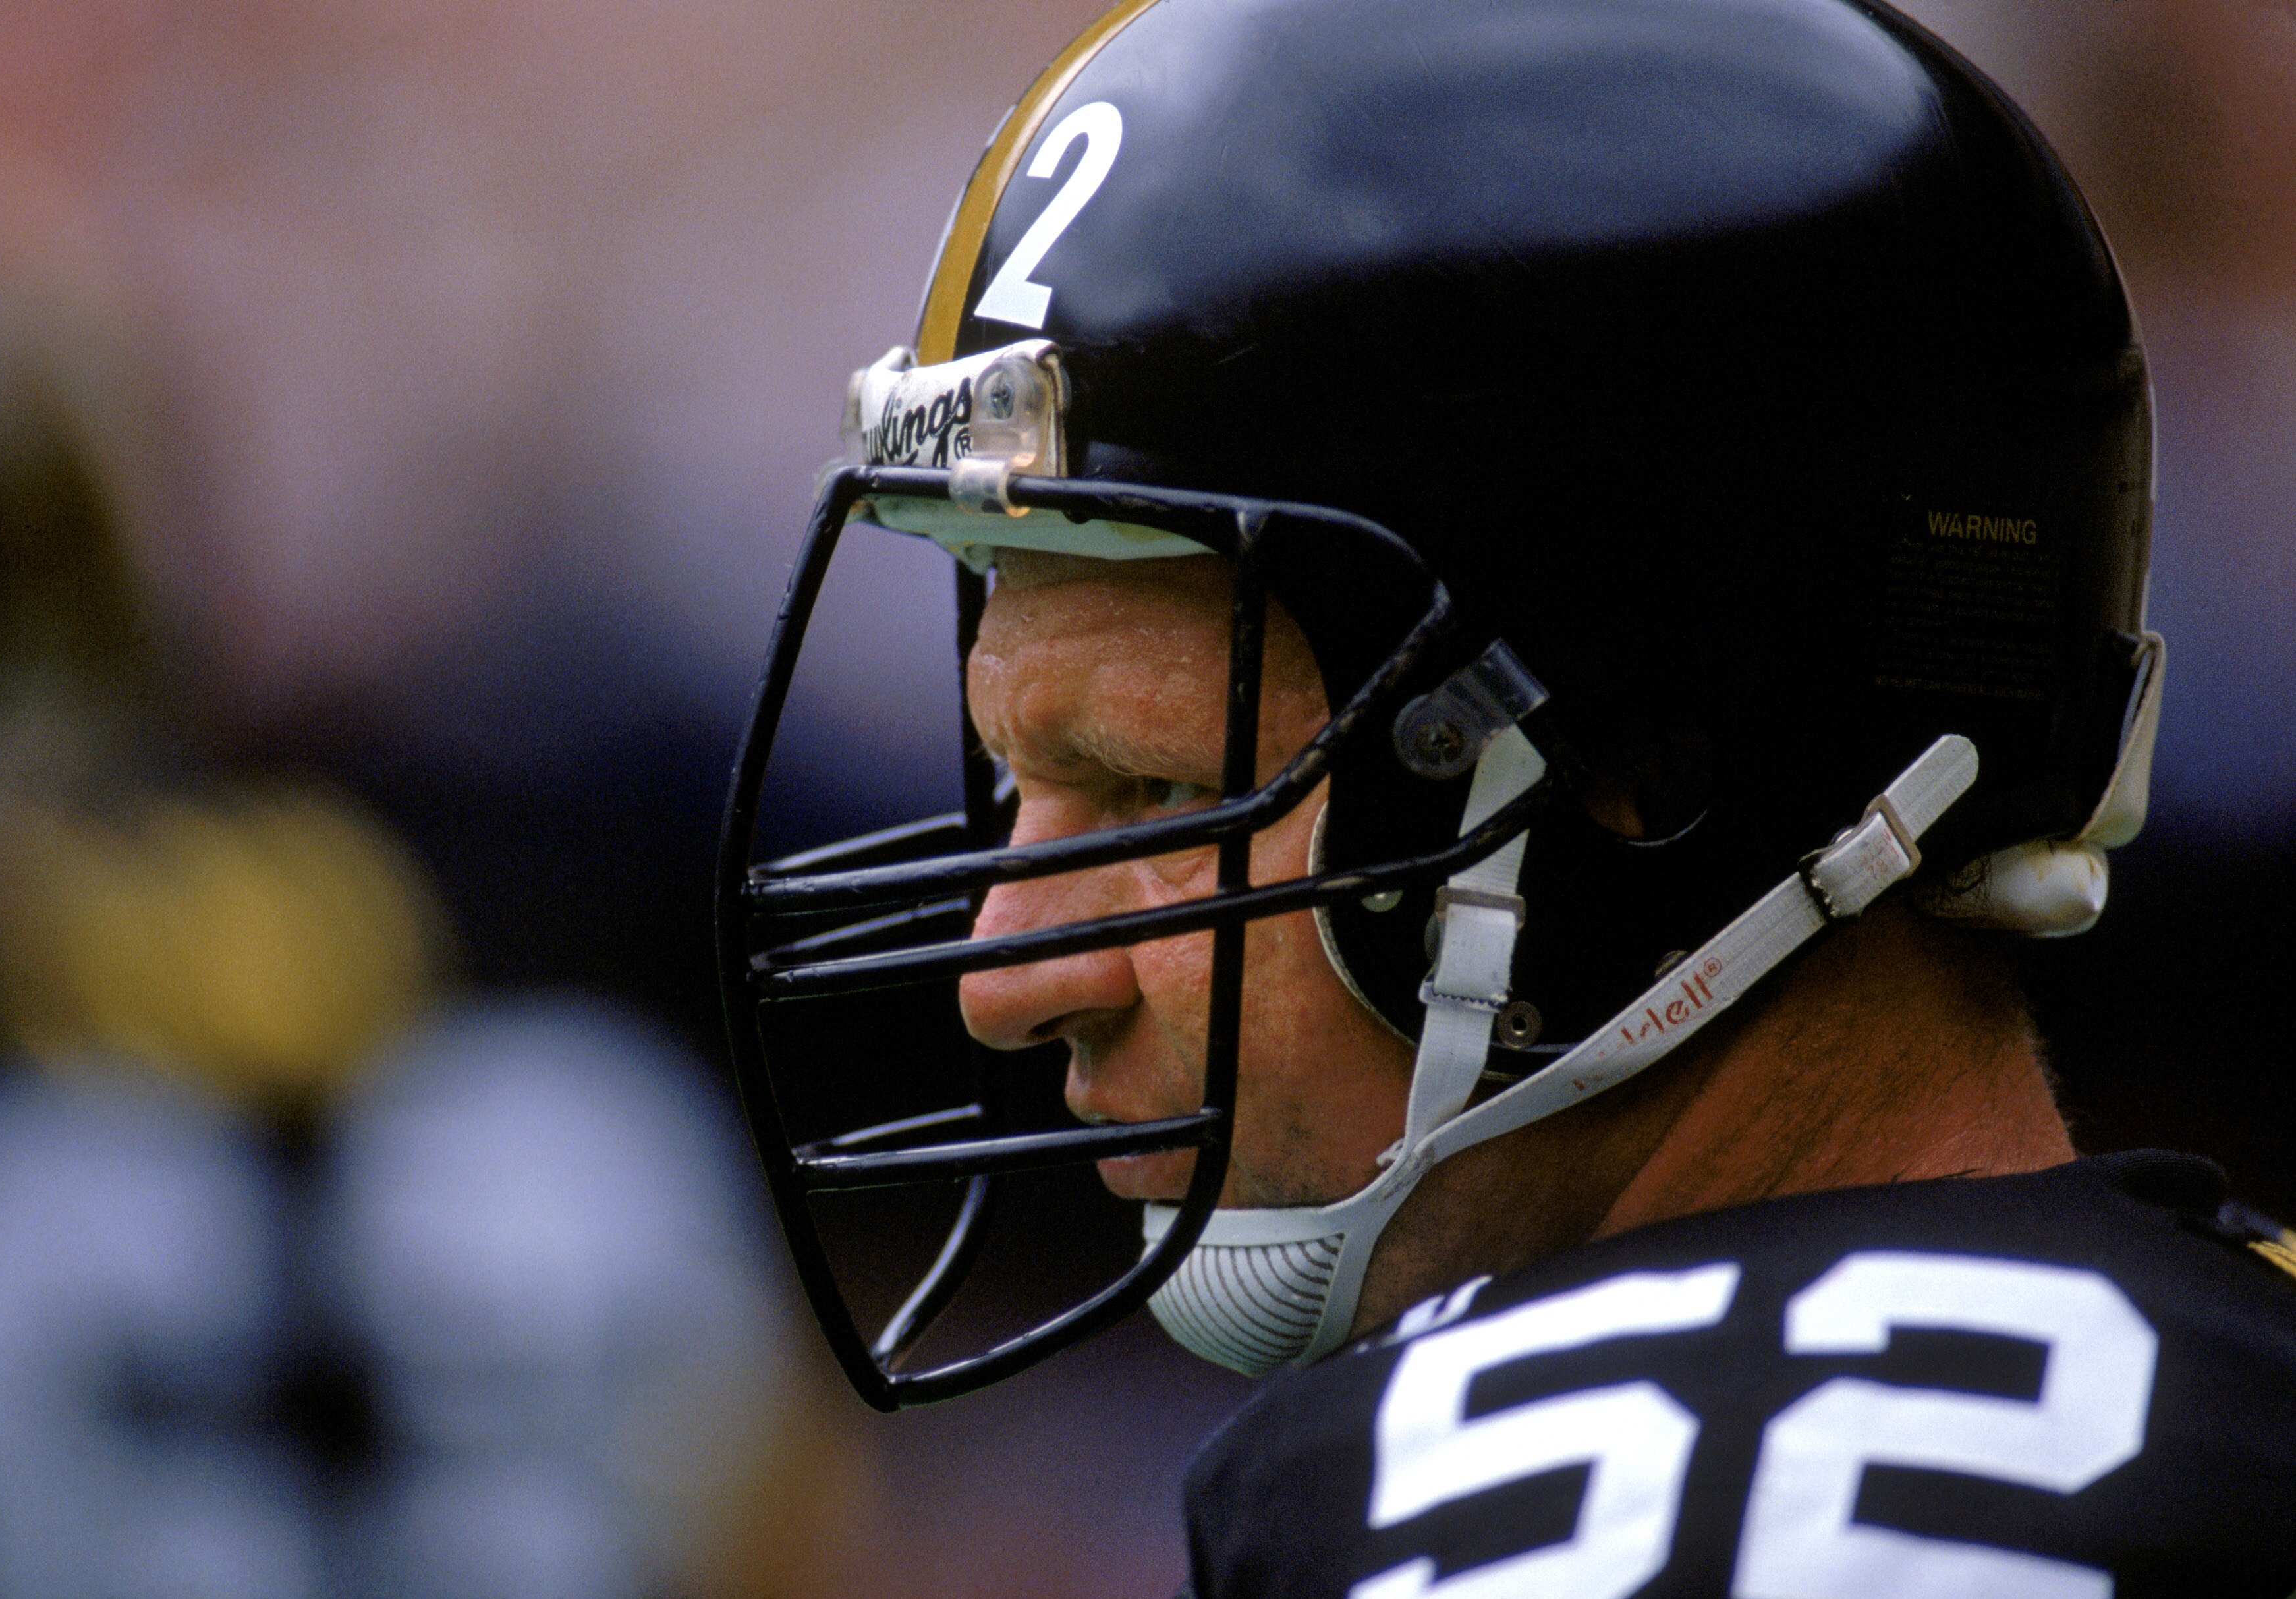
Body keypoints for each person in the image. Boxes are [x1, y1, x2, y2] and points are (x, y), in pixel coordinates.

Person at [714, 0, 2296, 1590]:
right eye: (1017, 775)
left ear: (1650, 774)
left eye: (1149, 784)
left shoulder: (1479, 1510)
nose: (1005, 976)